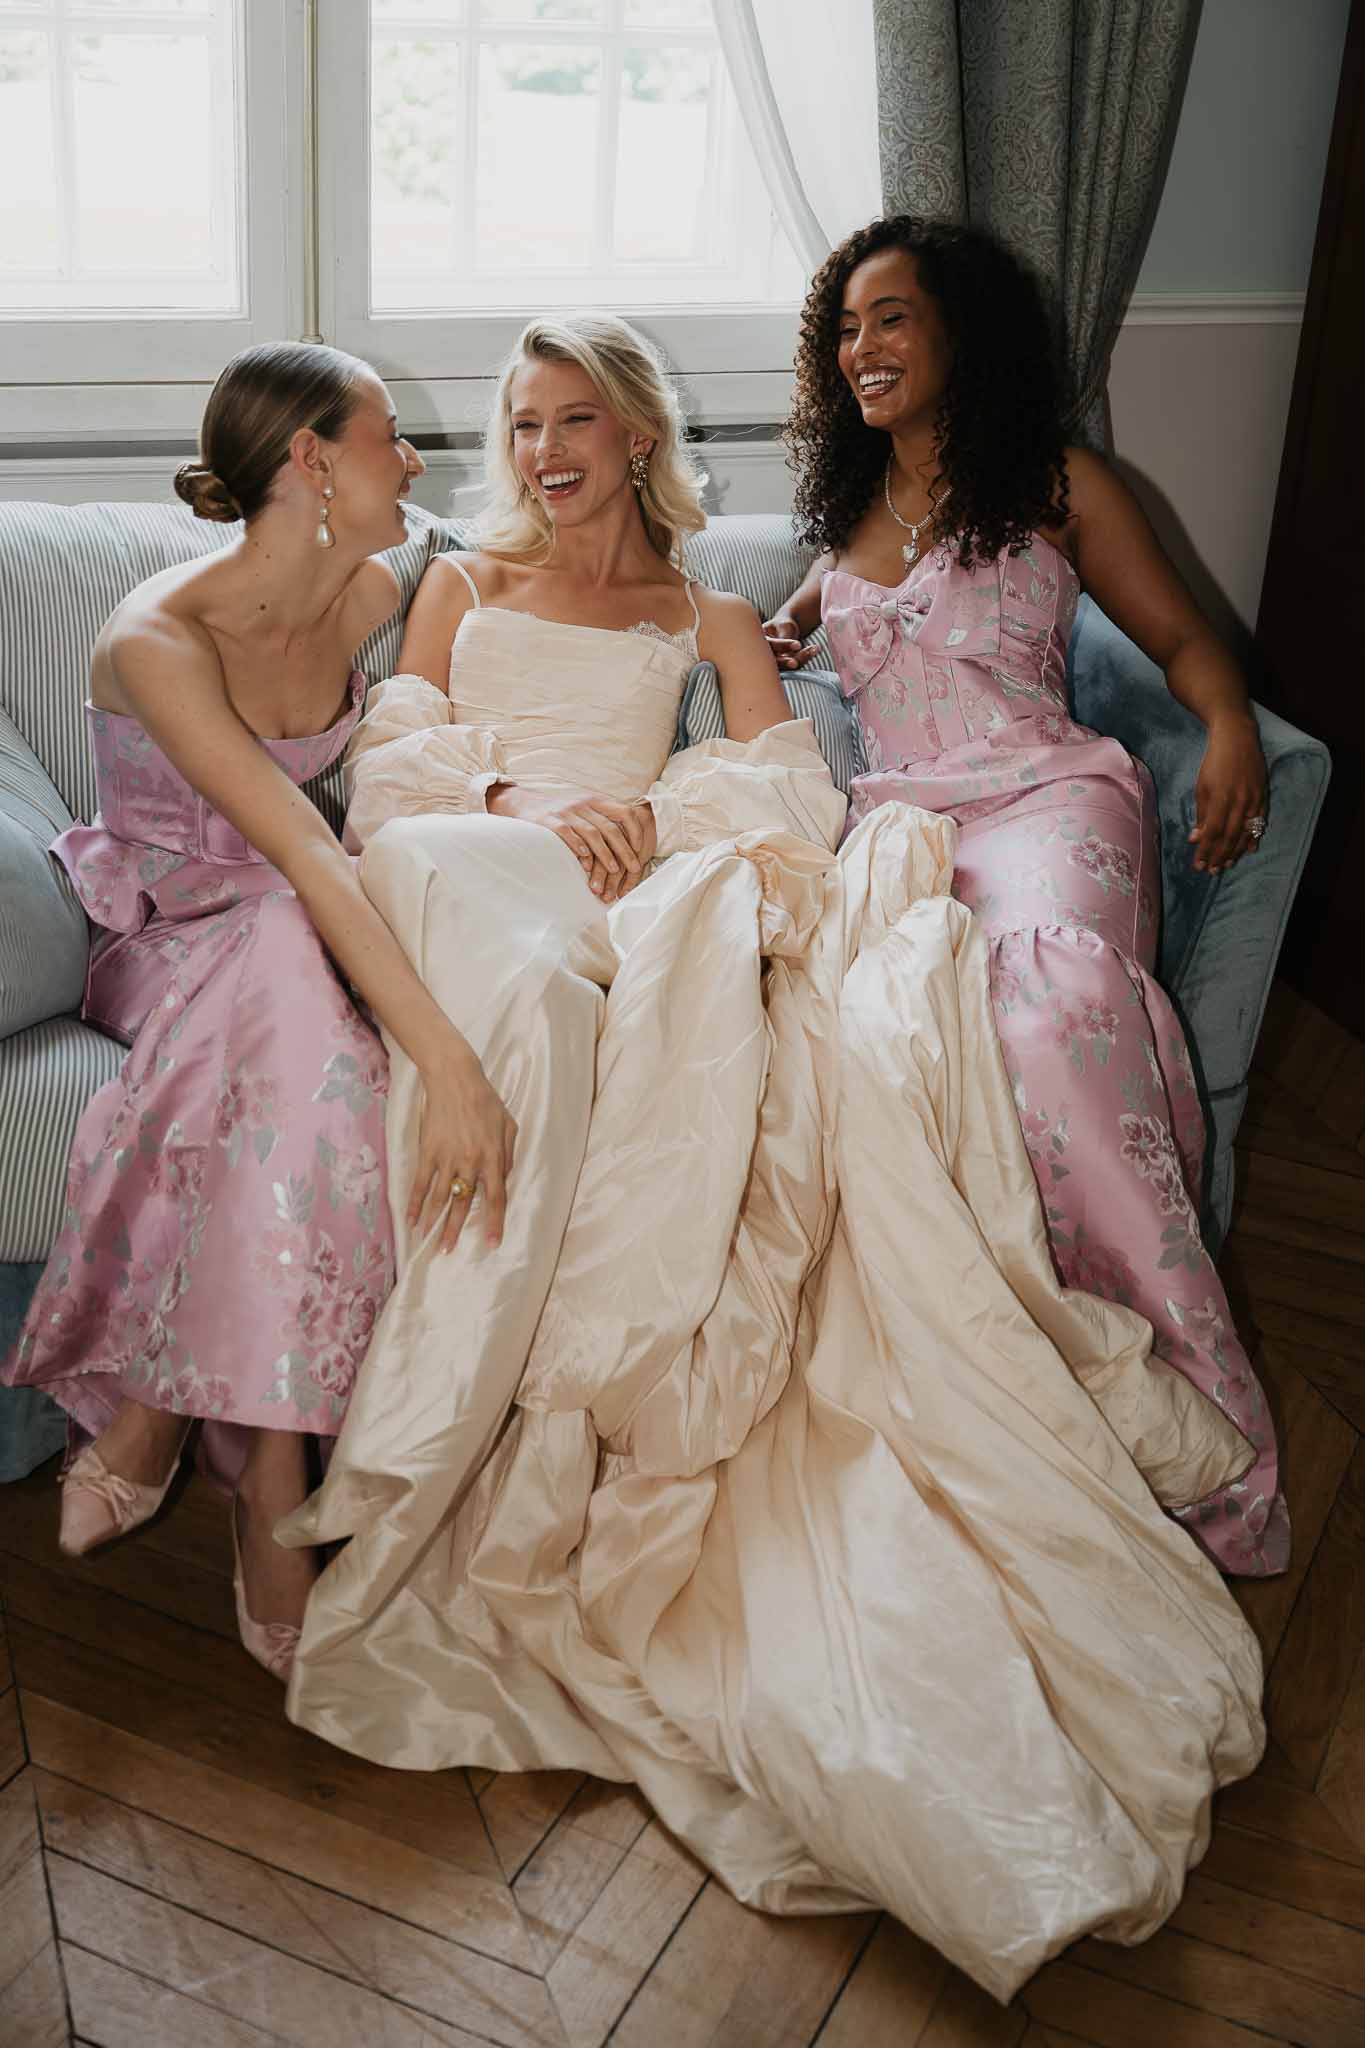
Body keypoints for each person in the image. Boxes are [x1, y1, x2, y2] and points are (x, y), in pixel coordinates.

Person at [277, 312, 1265, 2002]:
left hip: (612, 888)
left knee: (670, 974)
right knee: (507, 945)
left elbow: (791, 798)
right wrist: (521, 806)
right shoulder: (460, 585)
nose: (542, 451)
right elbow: (394, 765)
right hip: (465, 858)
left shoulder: (710, 615)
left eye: (573, 419)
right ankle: (443, 1413)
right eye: (521, 423)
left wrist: (649, 818)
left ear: (635, 434)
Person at [764, 215, 1286, 1577]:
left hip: (1050, 799)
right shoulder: (841, 520)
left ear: (961, 332)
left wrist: (1228, 721)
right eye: (844, 329)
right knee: (884, 1051)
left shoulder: (1059, 484)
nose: (861, 348)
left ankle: (1197, 1431)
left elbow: (1181, 636)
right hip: (902, 832)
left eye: (890, 318)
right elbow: (798, 626)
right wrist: (780, 635)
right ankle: (1016, 1416)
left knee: (1046, 1014)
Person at [1, 342, 516, 1679]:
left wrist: (773, 617)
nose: (415, 460)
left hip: (293, 941)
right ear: (312, 461)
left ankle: (171, 1413)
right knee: (292, 938)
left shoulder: (373, 589)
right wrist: (448, 1065)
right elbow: (304, 855)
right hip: (164, 935)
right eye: (390, 434)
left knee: (298, 1004)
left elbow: (520, 568)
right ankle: (272, 1487)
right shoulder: (156, 637)